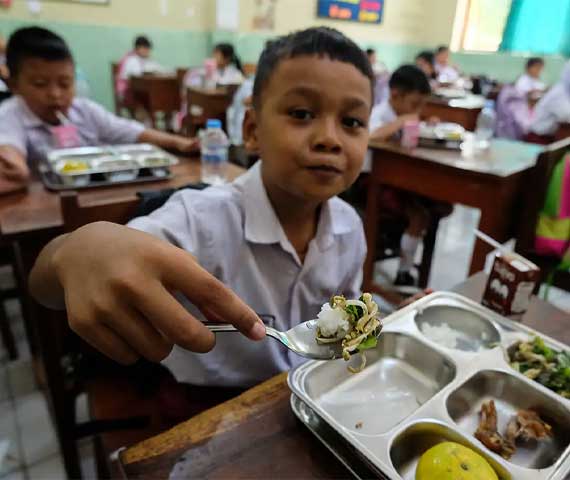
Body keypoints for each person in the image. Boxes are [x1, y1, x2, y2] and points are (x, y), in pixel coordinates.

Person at [29, 27, 375, 387]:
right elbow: (45, 282)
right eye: (301, 113)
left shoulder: (350, 226)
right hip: (200, 399)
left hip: (302, 385)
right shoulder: (201, 219)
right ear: (252, 130)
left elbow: (342, 321)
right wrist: (76, 252)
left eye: (351, 122)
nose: (329, 139)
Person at [0, 27, 197, 194]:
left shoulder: (84, 110)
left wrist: (179, 142)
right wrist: (13, 164)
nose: (55, 94)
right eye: (40, 84)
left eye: (65, 83)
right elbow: (9, 151)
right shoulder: (10, 114)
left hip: (96, 196)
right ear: (13, 84)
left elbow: (133, 131)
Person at [368, 65, 444, 287]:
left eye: (421, 105)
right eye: (414, 104)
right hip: (372, 183)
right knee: (418, 216)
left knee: (431, 209)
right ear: (395, 95)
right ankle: (404, 271)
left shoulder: (402, 115)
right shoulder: (380, 114)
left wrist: (426, 125)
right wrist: (400, 122)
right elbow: (370, 136)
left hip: (398, 182)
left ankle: (406, 267)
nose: (417, 111)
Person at [529, 61, 570, 138]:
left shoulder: (566, 91)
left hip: (551, 137)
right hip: (539, 137)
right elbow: (567, 116)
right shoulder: (560, 93)